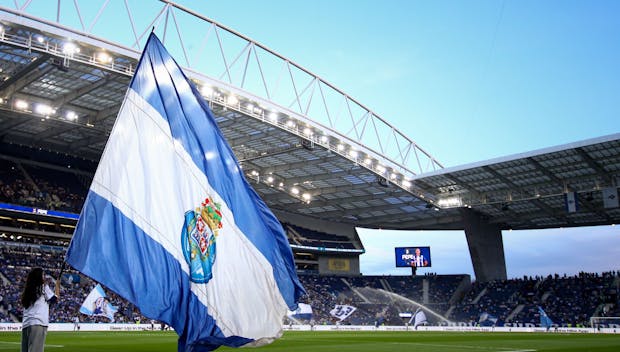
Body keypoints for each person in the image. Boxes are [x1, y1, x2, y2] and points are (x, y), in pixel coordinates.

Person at [21, 267, 60, 352]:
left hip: (26, 324)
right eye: (43, 275)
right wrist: (57, 285)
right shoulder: (43, 287)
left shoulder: (28, 289)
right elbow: (55, 299)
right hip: (38, 323)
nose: (44, 277)